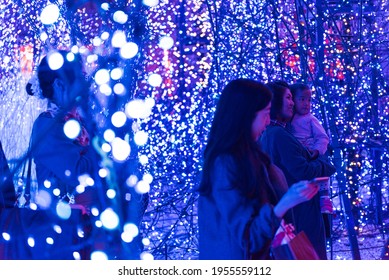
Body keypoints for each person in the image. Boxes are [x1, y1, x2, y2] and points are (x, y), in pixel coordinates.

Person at [197, 78, 319, 260]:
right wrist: (286, 202)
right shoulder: (225, 164)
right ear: (245, 115)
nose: (268, 120)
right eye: (265, 113)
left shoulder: (249, 156)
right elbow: (248, 237)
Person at [260, 80, 336, 260]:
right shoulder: (278, 134)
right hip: (301, 211)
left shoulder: (274, 132)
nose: (293, 102)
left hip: (296, 211)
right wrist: (326, 165)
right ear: (276, 101)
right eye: (288, 97)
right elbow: (303, 170)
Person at [290, 83, 333, 214]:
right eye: (302, 99)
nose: (306, 103)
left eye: (309, 100)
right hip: (300, 154)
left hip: (312, 152)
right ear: (293, 100)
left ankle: (325, 200)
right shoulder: (289, 119)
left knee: (321, 176)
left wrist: (317, 150)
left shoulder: (310, 119)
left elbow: (323, 137)